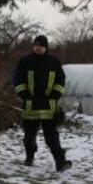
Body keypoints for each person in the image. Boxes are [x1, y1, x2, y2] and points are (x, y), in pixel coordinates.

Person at [13, 35, 71, 171]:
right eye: (36, 45)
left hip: (48, 106)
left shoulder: (54, 62)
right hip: (30, 104)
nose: (38, 48)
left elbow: (60, 80)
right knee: (29, 135)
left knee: (52, 136)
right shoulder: (25, 61)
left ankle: (60, 162)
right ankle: (29, 157)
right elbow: (17, 79)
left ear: (46, 47)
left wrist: (56, 94)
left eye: (41, 46)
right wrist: (24, 94)